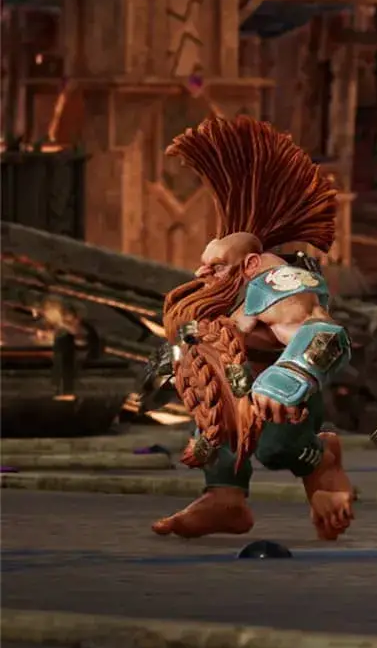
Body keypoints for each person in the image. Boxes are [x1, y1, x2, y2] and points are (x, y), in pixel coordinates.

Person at [150, 116, 356, 540]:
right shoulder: (218, 293)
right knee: (214, 422)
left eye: (216, 266)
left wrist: (287, 378)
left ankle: (321, 459)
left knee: (276, 447)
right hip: (236, 387)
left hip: (284, 399)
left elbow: (323, 333)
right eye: (205, 264)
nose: (202, 273)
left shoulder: (278, 285)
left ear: (250, 264)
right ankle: (224, 498)